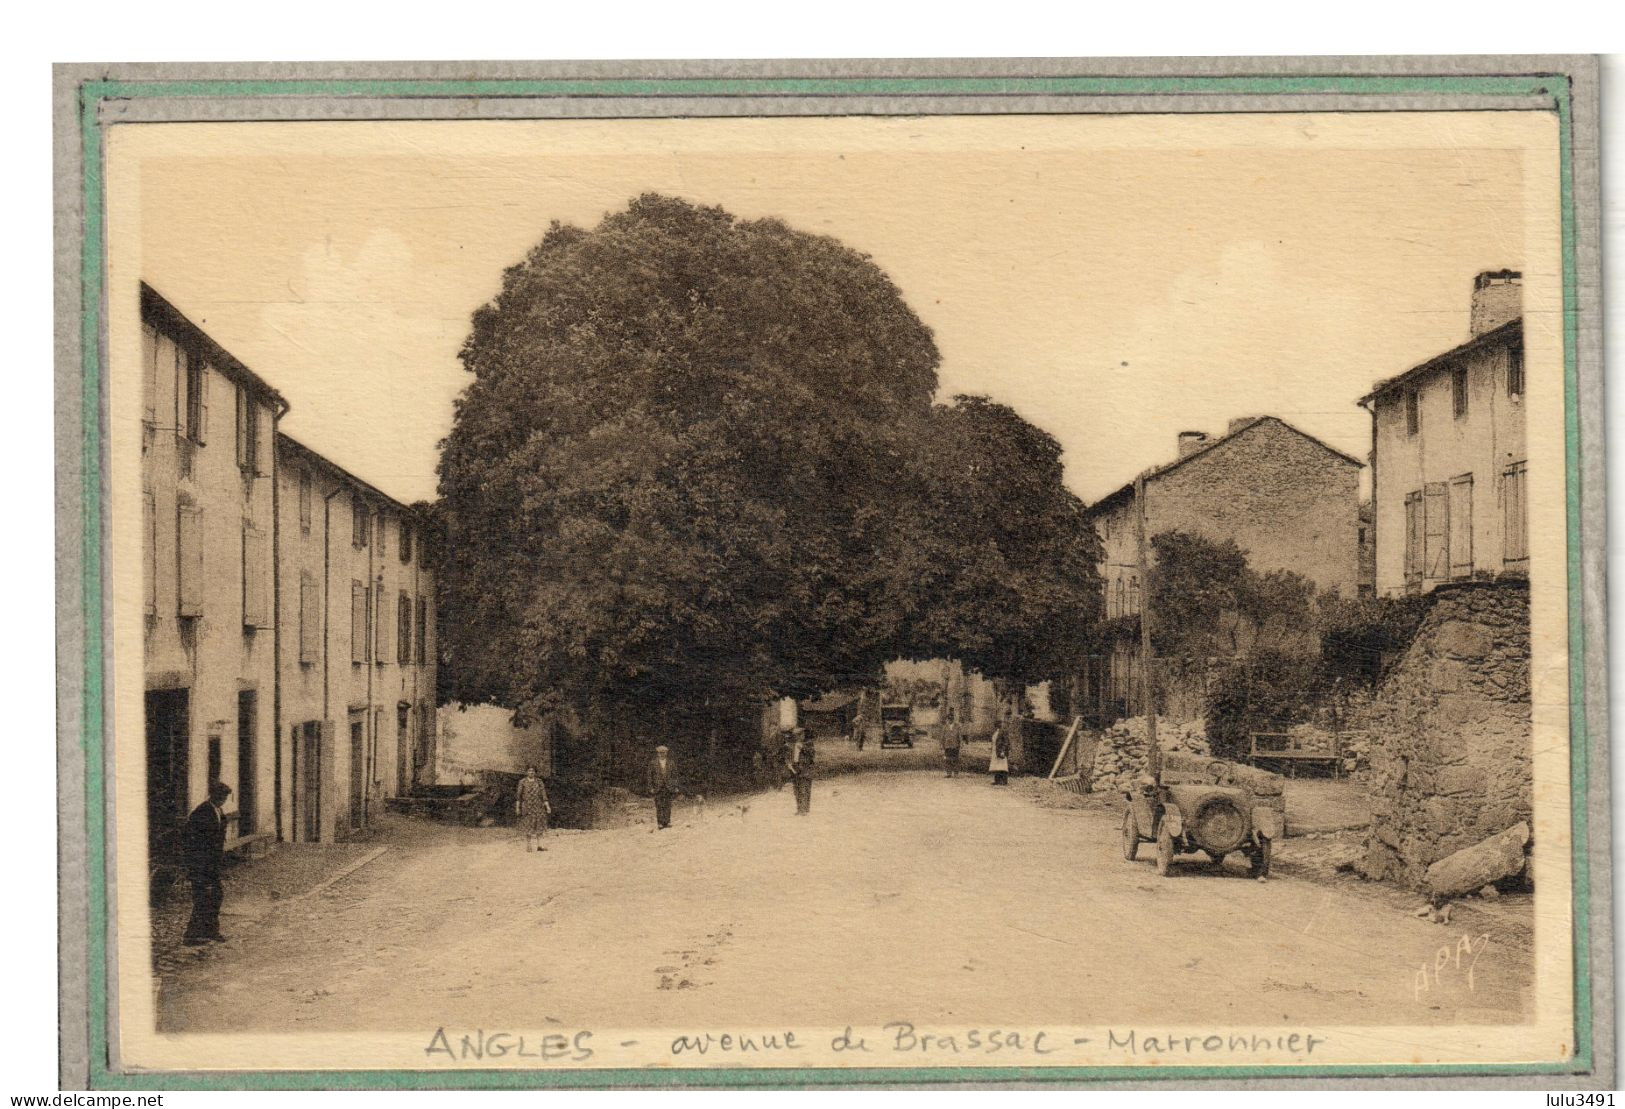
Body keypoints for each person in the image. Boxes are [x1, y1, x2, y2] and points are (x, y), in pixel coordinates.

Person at [182, 781, 232, 946]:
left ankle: (211, 931)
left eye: (225, 797)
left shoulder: (217, 810)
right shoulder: (202, 812)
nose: (223, 800)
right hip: (201, 863)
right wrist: (200, 865)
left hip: (212, 863)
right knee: (203, 898)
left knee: (216, 896)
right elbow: (194, 841)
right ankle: (192, 935)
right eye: (221, 796)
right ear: (213, 795)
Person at [514, 765, 551, 852]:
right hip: (527, 806)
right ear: (527, 772)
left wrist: (547, 806)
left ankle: (539, 845)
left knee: (539, 825)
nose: (531, 772)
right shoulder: (522, 782)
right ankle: (529, 845)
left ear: (535, 772)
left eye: (533, 771)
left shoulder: (539, 782)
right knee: (528, 825)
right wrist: (517, 808)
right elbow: (518, 796)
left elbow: (543, 795)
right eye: (529, 771)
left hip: (538, 806)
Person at [646, 745, 679, 830]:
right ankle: (660, 823)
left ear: (666, 753)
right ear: (658, 754)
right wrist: (651, 788)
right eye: (660, 753)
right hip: (658, 787)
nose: (662, 754)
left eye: (663, 753)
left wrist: (675, 786)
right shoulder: (653, 763)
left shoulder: (671, 763)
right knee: (659, 805)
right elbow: (649, 776)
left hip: (668, 787)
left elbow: (675, 776)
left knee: (668, 804)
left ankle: (667, 822)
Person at [789, 730, 815, 815]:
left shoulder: (809, 743)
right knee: (796, 790)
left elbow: (812, 754)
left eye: (800, 735)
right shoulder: (792, 745)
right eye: (796, 736)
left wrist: (802, 748)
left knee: (804, 789)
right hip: (795, 768)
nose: (798, 737)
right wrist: (789, 763)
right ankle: (799, 809)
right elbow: (789, 755)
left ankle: (804, 809)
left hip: (805, 769)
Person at [941, 707, 961, 778]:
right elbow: (942, 737)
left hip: (955, 745)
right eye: (949, 719)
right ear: (947, 719)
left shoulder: (957, 726)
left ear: (953, 719)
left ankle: (956, 773)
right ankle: (948, 773)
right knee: (948, 759)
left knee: (955, 759)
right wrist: (942, 746)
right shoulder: (945, 727)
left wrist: (960, 744)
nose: (950, 720)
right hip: (947, 745)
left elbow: (959, 736)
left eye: (952, 718)